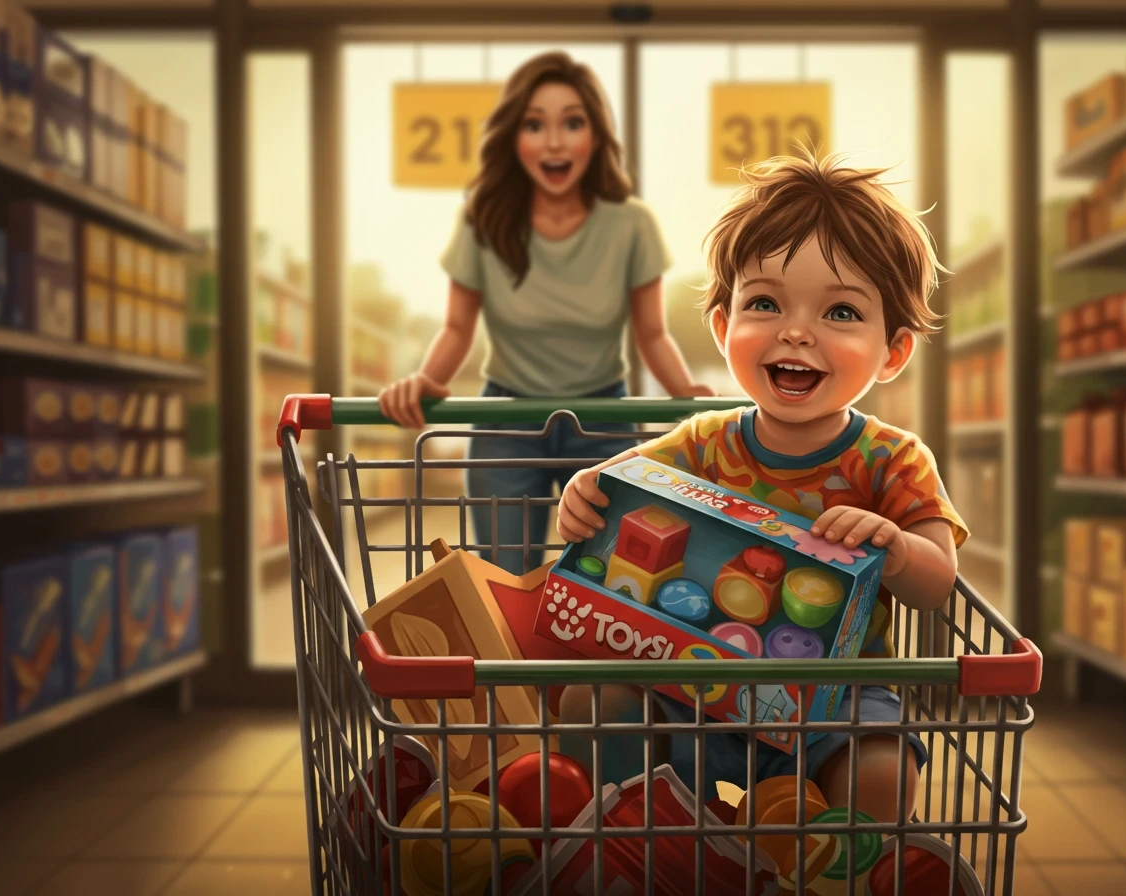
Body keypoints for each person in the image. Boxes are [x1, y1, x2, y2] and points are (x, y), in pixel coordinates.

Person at [555, 150, 968, 823]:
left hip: (837, 697)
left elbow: (936, 582)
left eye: (840, 313)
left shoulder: (893, 460)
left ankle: (834, 865)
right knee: (591, 703)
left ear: (892, 352)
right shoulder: (700, 441)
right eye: (766, 303)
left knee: (886, 767)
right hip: (690, 681)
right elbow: (615, 484)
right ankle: (641, 838)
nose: (796, 330)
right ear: (724, 328)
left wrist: (894, 547)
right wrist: (584, 491)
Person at [379, 51, 710, 576]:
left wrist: (688, 394)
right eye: (535, 124)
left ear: (595, 136)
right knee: (506, 575)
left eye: (572, 122)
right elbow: (457, 328)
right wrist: (426, 380)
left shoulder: (631, 225)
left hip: (606, 423)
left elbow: (652, 333)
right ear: (515, 139)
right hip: (506, 420)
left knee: (612, 577)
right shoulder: (483, 221)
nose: (554, 141)